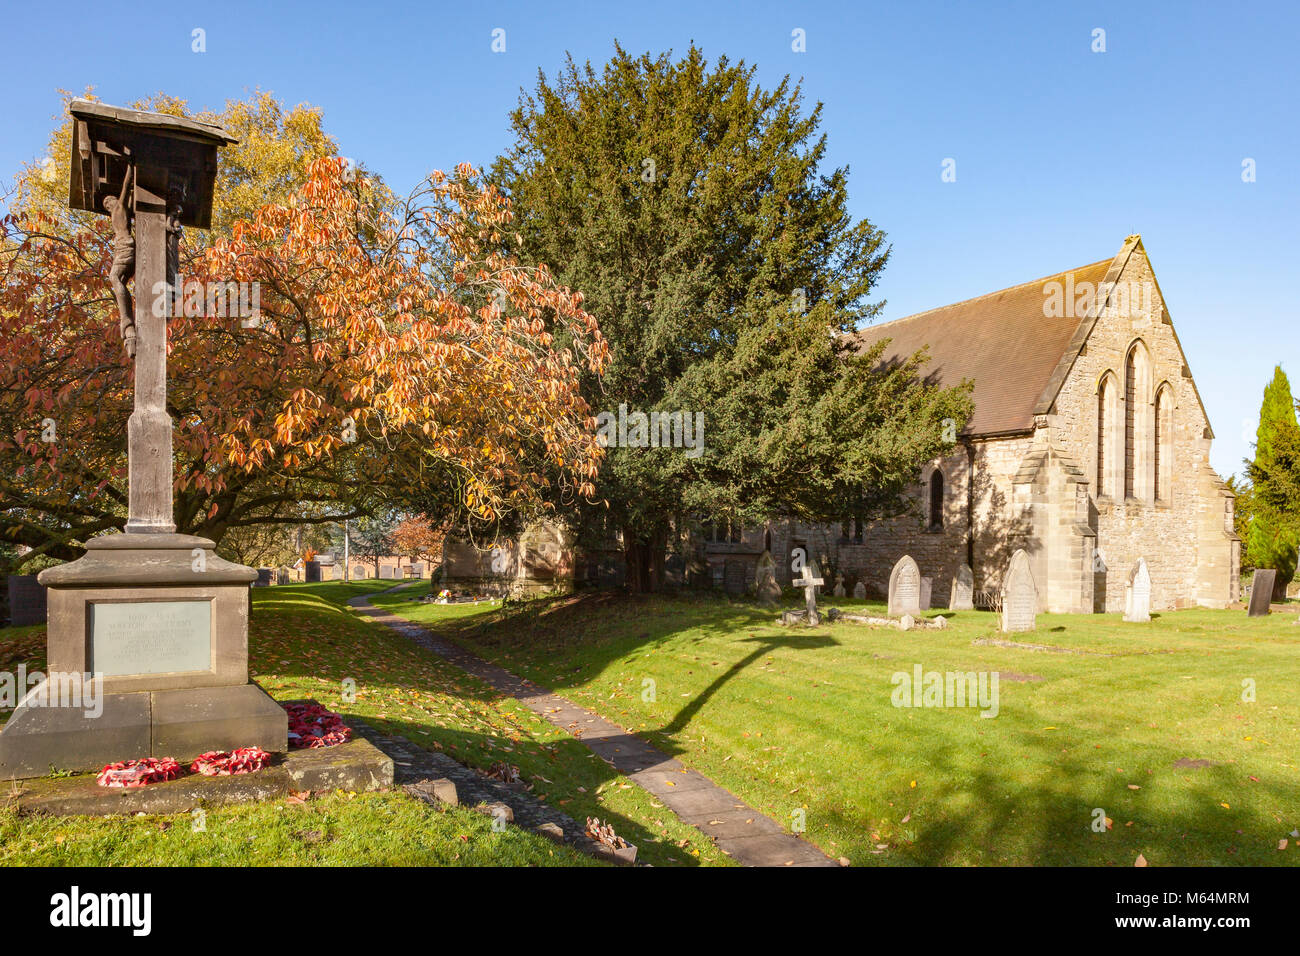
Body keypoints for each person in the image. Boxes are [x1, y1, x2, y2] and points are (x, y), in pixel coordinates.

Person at [104, 166, 136, 359]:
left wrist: (130, 168)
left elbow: (125, 186)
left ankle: (126, 320)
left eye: (109, 201)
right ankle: (128, 321)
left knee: (114, 277)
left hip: (125, 245)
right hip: (124, 246)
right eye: (107, 204)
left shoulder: (118, 208)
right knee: (118, 279)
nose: (109, 205)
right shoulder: (116, 213)